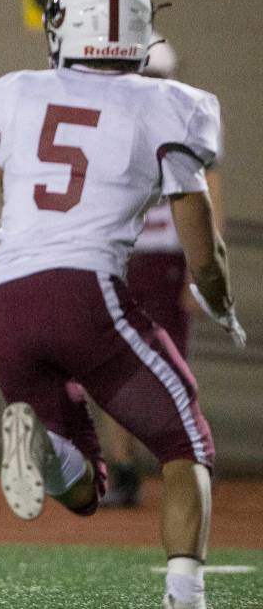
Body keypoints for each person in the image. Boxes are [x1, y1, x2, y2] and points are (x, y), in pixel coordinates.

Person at [0, 0, 246, 609]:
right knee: (185, 442)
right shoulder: (169, 106)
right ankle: (185, 597)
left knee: (85, 491)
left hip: (6, 308)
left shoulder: (19, 93)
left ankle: (47, 454)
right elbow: (203, 250)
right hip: (86, 296)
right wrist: (221, 301)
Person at [99, 37, 225, 508]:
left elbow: (209, 190)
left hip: (165, 259)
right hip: (120, 256)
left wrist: (201, 266)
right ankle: (125, 468)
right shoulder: (112, 119)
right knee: (110, 367)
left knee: (173, 369)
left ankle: (189, 461)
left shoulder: (186, 121)